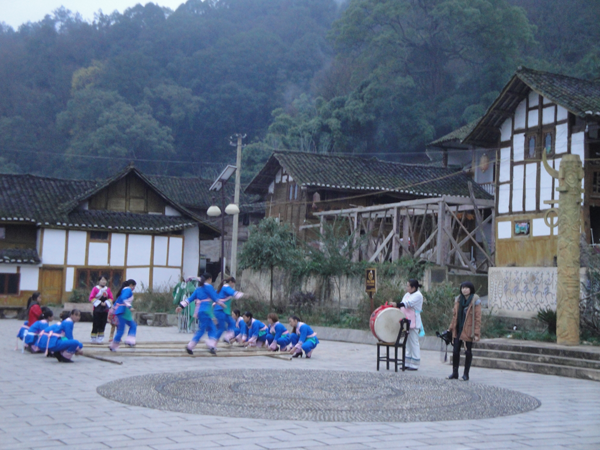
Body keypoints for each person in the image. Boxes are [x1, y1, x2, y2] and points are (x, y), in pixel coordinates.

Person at [176, 273, 218, 355]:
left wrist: (181, 306)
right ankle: (190, 346)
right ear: (209, 279)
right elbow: (215, 298)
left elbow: (190, 299)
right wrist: (221, 303)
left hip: (200, 311)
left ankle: (212, 346)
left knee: (211, 327)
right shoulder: (209, 287)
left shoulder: (198, 289)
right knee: (202, 330)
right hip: (206, 311)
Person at [447, 281, 482, 381]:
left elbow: (478, 318)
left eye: (466, 288)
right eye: (463, 288)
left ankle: (466, 374)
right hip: (458, 328)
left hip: (469, 329)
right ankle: (455, 373)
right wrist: (450, 328)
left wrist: (476, 333)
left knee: (468, 351)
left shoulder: (475, 300)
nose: (464, 290)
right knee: (455, 351)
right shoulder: (458, 299)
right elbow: (454, 316)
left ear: (471, 289)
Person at [389, 279, 423, 370]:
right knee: (407, 342)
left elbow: (406, 304)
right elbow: (402, 303)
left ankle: (415, 363)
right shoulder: (407, 294)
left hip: (414, 320)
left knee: (414, 342)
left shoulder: (418, 295)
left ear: (413, 287)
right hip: (406, 321)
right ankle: (407, 362)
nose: (406, 287)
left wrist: (396, 304)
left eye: (408, 286)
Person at [214, 277, 244, 344]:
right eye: (233, 283)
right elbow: (232, 292)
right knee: (221, 328)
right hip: (220, 310)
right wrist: (242, 295)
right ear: (231, 282)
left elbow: (214, 294)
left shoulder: (221, 288)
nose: (233, 285)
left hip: (223, 311)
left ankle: (227, 337)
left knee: (232, 322)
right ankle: (213, 342)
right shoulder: (226, 287)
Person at [109, 280, 138, 351]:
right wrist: (129, 307)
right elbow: (123, 298)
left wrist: (113, 310)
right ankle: (113, 345)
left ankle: (130, 340)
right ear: (131, 285)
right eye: (134, 286)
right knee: (121, 330)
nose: (134, 288)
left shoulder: (124, 290)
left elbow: (117, 301)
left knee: (133, 325)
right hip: (123, 312)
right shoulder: (128, 289)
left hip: (124, 312)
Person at [89, 276, 114, 344]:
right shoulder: (95, 288)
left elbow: (111, 298)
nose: (103, 281)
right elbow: (91, 298)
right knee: (96, 323)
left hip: (105, 309)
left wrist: (106, 303)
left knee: (103, 323)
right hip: (97, 308)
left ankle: (100, 338)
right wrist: (100, 303)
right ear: (99, 281)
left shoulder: (107, 289)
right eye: (102, 280)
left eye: (105, 280)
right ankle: (93, 337)